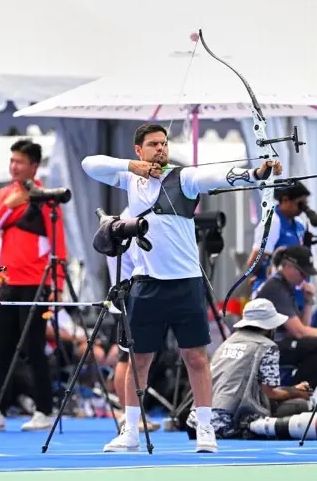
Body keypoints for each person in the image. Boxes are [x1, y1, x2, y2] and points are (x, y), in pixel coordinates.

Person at [81, 122, 282, 453]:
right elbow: (90, 164)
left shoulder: (183, 178)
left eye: (164, 143)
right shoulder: (129, 177)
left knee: (197, 359)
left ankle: (206, 428)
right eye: (153, 144)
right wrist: (134, 167)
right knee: (139, 361)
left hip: (185, 283)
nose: (161, 149)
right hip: (146, 285)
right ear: (139, 149)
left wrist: (256, 173)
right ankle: (130, 429)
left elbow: (218, 176)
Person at [0, 140, 67, 432]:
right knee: (1, 348)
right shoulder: (4, 194)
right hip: (7, 283)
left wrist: (58, 284)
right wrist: (8, 207)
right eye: (12, 160)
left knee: (35, 348)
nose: (13, 166)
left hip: (37, 284)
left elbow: (58, 242)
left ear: (34, 166)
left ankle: (44, 410)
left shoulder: (44, 197)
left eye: (20, 162)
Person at [185, 298, 314, 439]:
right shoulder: (267, 346)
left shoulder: (227, 342)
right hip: (226, 424)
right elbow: (270, 393)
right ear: (269, 326)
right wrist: (297, 392)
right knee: (300, 405)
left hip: (195, 422)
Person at [253, 245, 317, 387]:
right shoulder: (276, 287)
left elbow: (302, 329)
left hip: (276, 344)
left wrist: (308, 301)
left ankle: (298, 392)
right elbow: (300, 332)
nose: (305, 278)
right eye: (303, 273)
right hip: (264, 348)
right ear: (288, 266)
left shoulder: (287, 287)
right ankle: (293, 394)